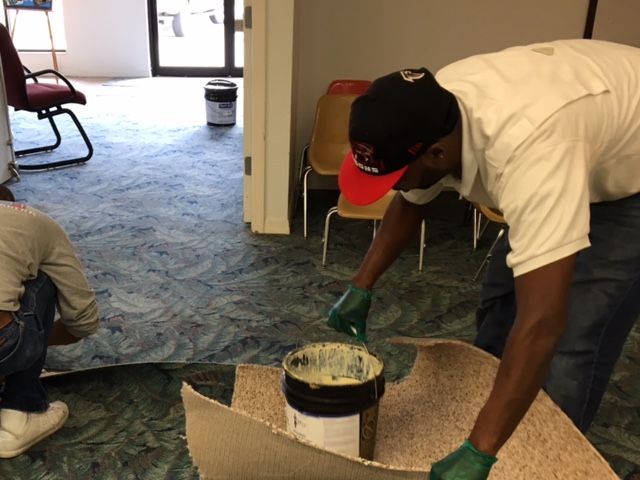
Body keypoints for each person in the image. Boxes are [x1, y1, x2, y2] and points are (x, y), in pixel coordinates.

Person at [328, 39, 640, 479]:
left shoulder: (530, 152)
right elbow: (413, 198)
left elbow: (543, 322)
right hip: (578, 138)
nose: (394, 188)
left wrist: (480, 451)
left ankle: (542, 462)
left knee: (572, 332)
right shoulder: (437, 108)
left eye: (395, 178)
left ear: (437, 154)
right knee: (500, 301)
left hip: (631, 176)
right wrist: (361, 284)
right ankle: (493, 421)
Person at [0, 184, 98, 458]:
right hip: (4, 342)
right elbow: (83, 319)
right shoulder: (36, 221)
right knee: (41, 277)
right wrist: (40, 341)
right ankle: (20, 415)